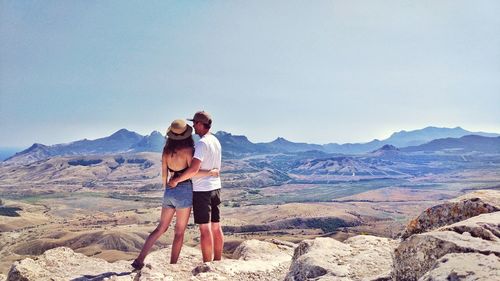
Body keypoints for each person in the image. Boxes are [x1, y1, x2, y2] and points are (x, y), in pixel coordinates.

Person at [131, 119, 218, 270]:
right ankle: (172, 265)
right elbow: (193, 172)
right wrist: (211, 173)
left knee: (160, 228)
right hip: (184, 190)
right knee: (179, 232)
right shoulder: (189, 151)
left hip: (169, 191)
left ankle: (140, 259)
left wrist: (170, 187)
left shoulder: (166, 151)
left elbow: (164, 176)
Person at [168, 111, 224, 263]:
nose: (193, 126)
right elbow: (213, 168)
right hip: (216, 188)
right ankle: (217, 261)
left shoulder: (202, 143)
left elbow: (193, 170)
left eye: (195, 123)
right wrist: (211, 173)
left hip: (202, 191)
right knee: (216, 226)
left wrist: (177, 180)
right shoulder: (216, 141)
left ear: (200, 124)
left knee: (204, 229)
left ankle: (207, 265)